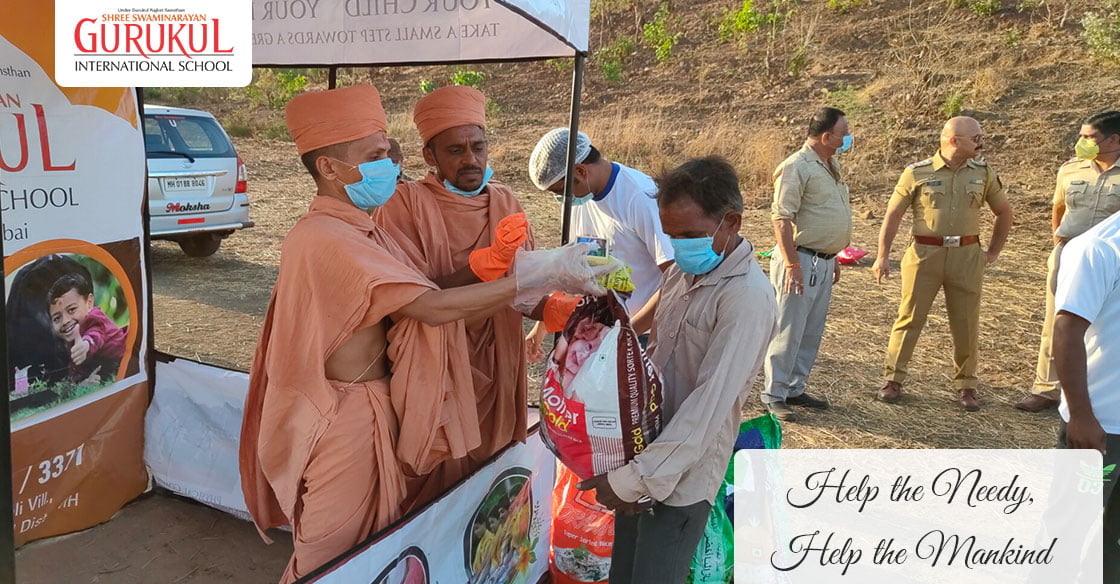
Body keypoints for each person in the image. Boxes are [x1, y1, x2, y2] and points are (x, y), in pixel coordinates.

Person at [239, 84, 609, 583]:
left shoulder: (365, 226)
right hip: (346, 414)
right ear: (329, 168)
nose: (388, 166)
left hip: (397, 397)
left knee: (378, 545)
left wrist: (547, 299)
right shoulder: (325, 235)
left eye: (479, 146)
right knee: (329, 558)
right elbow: (429, 305)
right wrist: (524, 274)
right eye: (375, 156)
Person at [576, 156, 778, 584]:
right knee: (624, 574)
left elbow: (708, 408)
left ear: (731, 223)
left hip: (681, 475)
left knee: (653, 574)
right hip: (644, 454)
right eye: (671, 236)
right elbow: (658, 344)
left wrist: (636, 479)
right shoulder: (686, 273)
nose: (680, 247)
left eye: (690, 235)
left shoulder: (746, 298)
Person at [373, 85, 538, 469]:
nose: (470, 159)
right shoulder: (401, 206)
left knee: (490, 470)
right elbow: (412, 303)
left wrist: (554, 306)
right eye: (455, 150)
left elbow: (525, 284)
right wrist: (484, 265)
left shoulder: (506, 201)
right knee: (440, 472)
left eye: (478, 147)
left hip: (499, 357)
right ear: (429, 156)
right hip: (437, 363)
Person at [873, 116, 1013, 411]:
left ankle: (967, 386)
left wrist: (992, 253)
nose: (981, 142)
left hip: (966, 256)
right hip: (924, 255)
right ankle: (893, 379)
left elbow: (1003, 211)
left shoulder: (983, 172)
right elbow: (894, 215)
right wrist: (883, 255)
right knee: (909, 318)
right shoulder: (916, 173)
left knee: (966, 322)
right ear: (953, 141)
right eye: (975, 137)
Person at [524, 128, 674, 357]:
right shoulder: (581, 200)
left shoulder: (639, 198)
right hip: (603, 333)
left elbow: (676, 279)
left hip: (645, 336)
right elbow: (584, 266)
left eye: (560, 191)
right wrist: (543, 323)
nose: (562, 200)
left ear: (581, 170)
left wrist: (628, 335)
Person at [1017, 110, 1120, 413]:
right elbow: (1059, 210)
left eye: (1089, 137)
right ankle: (1047, 389)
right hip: (1068, 253)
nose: (1081, 142)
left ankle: (1091, 391)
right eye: (1081, 136)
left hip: (1109, 260)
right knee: (1058, 320)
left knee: (1104, 326)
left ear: (1114, 139)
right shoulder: (1070, 170)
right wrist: (1060, 246)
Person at [762, 107, 852, 421]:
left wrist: (833, 255)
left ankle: (794, 388)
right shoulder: (796, 167)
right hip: (800, 261)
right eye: (844, 132)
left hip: (823, 261)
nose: (848, 137)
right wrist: (792, 266)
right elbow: (782, 218)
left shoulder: (830, 165)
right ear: (827, 137)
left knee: (810, 330)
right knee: (788, 329)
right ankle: (774, 394)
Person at [1051, 209, 1120, 580]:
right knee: (1069, 529)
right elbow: (1066, 331)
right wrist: (1081, 416)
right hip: (1102, 432)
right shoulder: (1099, 248)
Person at [46, 272, 126, 384]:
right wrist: (81, 382)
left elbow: (95, 334)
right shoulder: (72, 337)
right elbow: (76, 365)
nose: (65, 321)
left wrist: (86, 345)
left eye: (71, 310)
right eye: (57, 318)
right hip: (105, 363)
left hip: (124, 355)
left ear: (89, 303)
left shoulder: (95, 318)